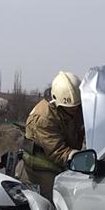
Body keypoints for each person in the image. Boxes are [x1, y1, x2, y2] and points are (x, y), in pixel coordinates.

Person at [21, 71, 86, 200]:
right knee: (57, 199)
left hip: (63, 155)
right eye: (71, 108)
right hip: (42, 163)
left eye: (77, 106)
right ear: (56, 103)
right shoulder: (43, 118)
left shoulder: (77, 106)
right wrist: (78, 156)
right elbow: (57, 151)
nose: (75, 110)